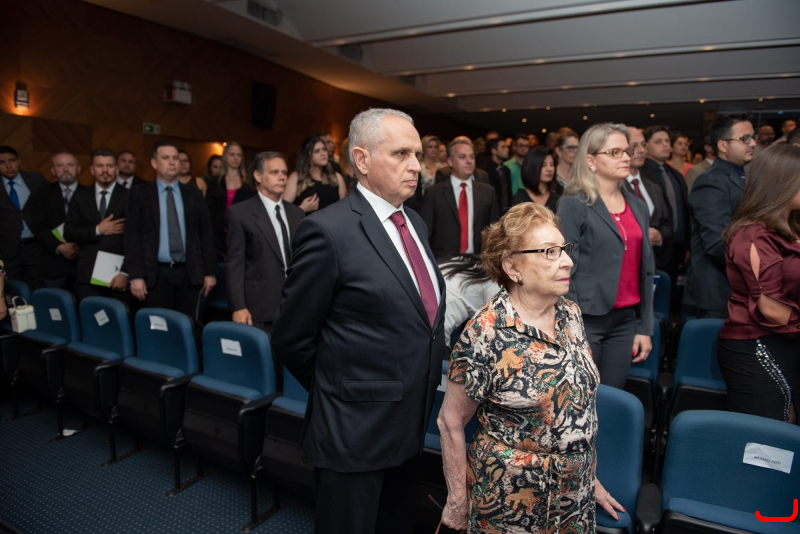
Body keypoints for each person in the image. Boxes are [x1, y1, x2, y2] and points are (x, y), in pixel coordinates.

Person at [273, 108, 446, 534]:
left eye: (417, 154)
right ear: (362, 160)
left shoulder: (414, 222)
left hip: (409, 426)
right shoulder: (327, 230)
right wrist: (344, 392)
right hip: (353, 434)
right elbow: (292, 337)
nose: (416, 166)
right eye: (401, 154)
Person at [437, 202, 624, 532]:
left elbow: (575, 408)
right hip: (509, 506)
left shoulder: (571, 315)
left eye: (564, 249)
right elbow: (450, 421)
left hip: (573, 500)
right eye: (550, 252)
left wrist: (589, 479)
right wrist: (457, 503)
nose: (567, 261)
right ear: (513, 267)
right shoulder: (487, 332)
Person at [557, 123, 654, 389]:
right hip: (586, 319)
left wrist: (644, 327)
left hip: (625, 321)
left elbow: (646, 270)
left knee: (612, 398)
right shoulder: (573, 204)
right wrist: (573, 330)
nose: (626, 157)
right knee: (580, 398)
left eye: (627, 151)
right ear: (591, 160)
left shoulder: (638, 206)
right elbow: (563, 270)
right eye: (614, 152)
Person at [718, 143, 800, 423]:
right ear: (783, 182)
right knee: (767, 435)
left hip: (786, 342)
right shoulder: (755, 234)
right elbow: (772, 309)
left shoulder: (791, 226)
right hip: (757, 345)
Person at [125, 141, 216, 319]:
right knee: (160, 326)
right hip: (155, 274)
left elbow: (205, 235)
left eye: (176, 158)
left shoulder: (194, 194)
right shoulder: (139, 194)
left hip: (189, 274)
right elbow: (132, 238)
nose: (173, 162)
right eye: (166, 158)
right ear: (154, 163)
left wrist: (209, 272)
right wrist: (136, 276)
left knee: (188, 325)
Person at [684, 114, 754, 319]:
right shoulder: (711, 181)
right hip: (718, 292)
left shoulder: (742, 177)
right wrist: (757, 270)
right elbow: (717, 243)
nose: (752, 144)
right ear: (723, 145)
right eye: (745, 139)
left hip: (737, 290)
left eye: (753, 138)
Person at [226, 152, 304, 336]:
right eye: (274, 172)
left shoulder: (297, 213)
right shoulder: (240, 213)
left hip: (295, 306)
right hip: (259, 307)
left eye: (284, 172)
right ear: (258, 176)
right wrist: (238, 306)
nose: (282, 177)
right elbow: (234, 264)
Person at [64, 148, 129, 302]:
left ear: (116, 169)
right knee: (90, 316)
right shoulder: (80, 196)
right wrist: (98, 230)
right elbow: (69, 232)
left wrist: (126, 272)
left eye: (109, 166)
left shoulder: (130, 196)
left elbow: (138, 239)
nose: (105, 170)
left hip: (119, 276)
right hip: (88, 275)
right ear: (92, 169)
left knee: (120, 316)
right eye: (100, 166)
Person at [420, 139, 499, 258]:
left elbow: (494, 233)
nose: (469, 161)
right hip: (444, 262)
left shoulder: (488, 192)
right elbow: (426, 234)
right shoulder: (433, 193)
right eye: (462, 157)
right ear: (450, 161)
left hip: (479, 262)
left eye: (472, 157)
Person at [640, 125, 690, 291]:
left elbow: (684, 212)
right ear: (646, 146)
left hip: (676, 248)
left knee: (670, 295)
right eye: (658, 141)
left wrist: (685, 247)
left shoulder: (675, 174)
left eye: (667, 141)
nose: (665, 145)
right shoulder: (641, 174)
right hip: (655, 249)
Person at [29, 152, 86, 290]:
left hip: (83, 263)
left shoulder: (90, 193)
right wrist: (60, 247)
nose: (66, 169)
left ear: (78, 169)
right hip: (53, 264)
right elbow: (39, 226)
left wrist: (76, 246)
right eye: (60, 165)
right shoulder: (41, 194)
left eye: (70, 165)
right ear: (53, 170)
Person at [622, 127, 672, 271]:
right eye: (634, 146)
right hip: (624, 264)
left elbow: (667, 224)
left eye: (643, 145)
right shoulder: (614, 187)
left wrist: (660, 236)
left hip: (653, 264)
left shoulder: (653, 187)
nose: (641, 150)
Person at [0, 145, 46, 289]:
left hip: (35, 246)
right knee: (13, 290)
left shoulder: (36, 179)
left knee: (38, 288)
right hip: (7, 250)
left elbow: (52, 206)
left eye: (12, 160)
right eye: (2, 162)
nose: (8, 166)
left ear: (19, 161)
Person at [438, 254, 499, 344]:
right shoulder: (494, 286)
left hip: (431, 303)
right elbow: (495, 328)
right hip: (440, 318)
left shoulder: (470, 260)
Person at [283, 136, 346, 214]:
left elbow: (345, 209)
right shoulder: (296, 177)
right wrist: (302, 209)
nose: (323, 153)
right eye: (317, 151)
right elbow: (284, 211)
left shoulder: (337, 178)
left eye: (324, 149)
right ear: (308, 155)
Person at [209, 141, 246, 253]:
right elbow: (209, 209)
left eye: (239, 155)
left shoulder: (247, 183)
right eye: (232, 154)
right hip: (218, 234)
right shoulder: (215, 182)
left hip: (240, 233)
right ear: (225, 156)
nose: (236, 158)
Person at [511, 145, 562, 212]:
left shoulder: (558, 199)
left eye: (552, 164)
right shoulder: (520, 198)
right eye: (543, 165)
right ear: (532, 167)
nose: (549, 169)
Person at [480, 137, 512, 214]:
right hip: (491, 211)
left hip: (507, 211)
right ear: (494, 151)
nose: (507, 149)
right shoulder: (485, 170)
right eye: (503, 147)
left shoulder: (506, 169)